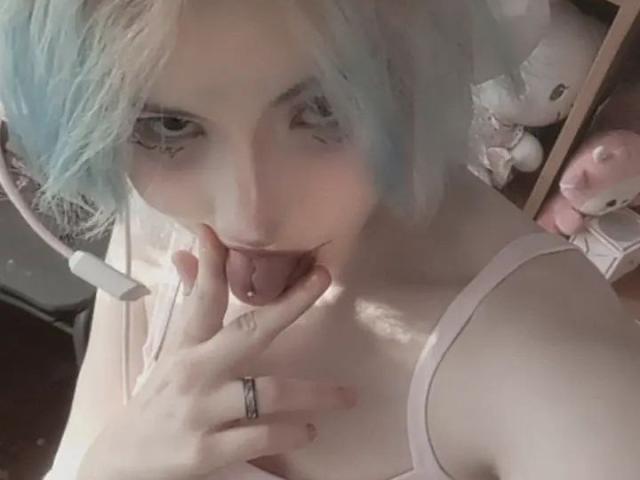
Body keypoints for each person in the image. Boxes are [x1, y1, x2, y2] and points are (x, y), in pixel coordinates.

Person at [0, 1, 639, 479]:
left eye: (328, 106)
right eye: (169, 125)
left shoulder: (559, 368)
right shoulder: (154, 217)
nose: (248, 215)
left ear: (424, 61)